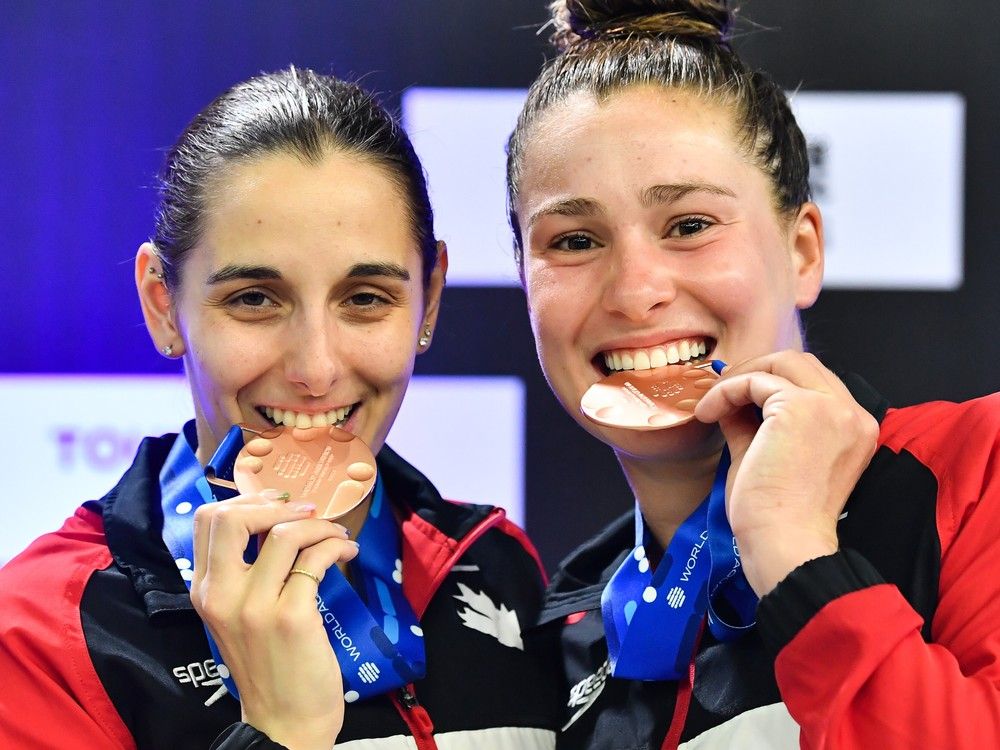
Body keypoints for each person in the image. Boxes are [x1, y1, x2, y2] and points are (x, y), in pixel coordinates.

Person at [0, 67, 559, 749]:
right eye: (255, 299)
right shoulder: (37, 632)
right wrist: (279, 734)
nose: (316, 369)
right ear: (162, 304)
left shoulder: (497, 566)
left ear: (430, 299)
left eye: (366, 299)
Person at [506, 1, 1000, 748]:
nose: (637, 291)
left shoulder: (978, 469)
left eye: (691, 226)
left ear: (802, 250)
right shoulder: (565, 618)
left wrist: (799, 559)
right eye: (574, 240)